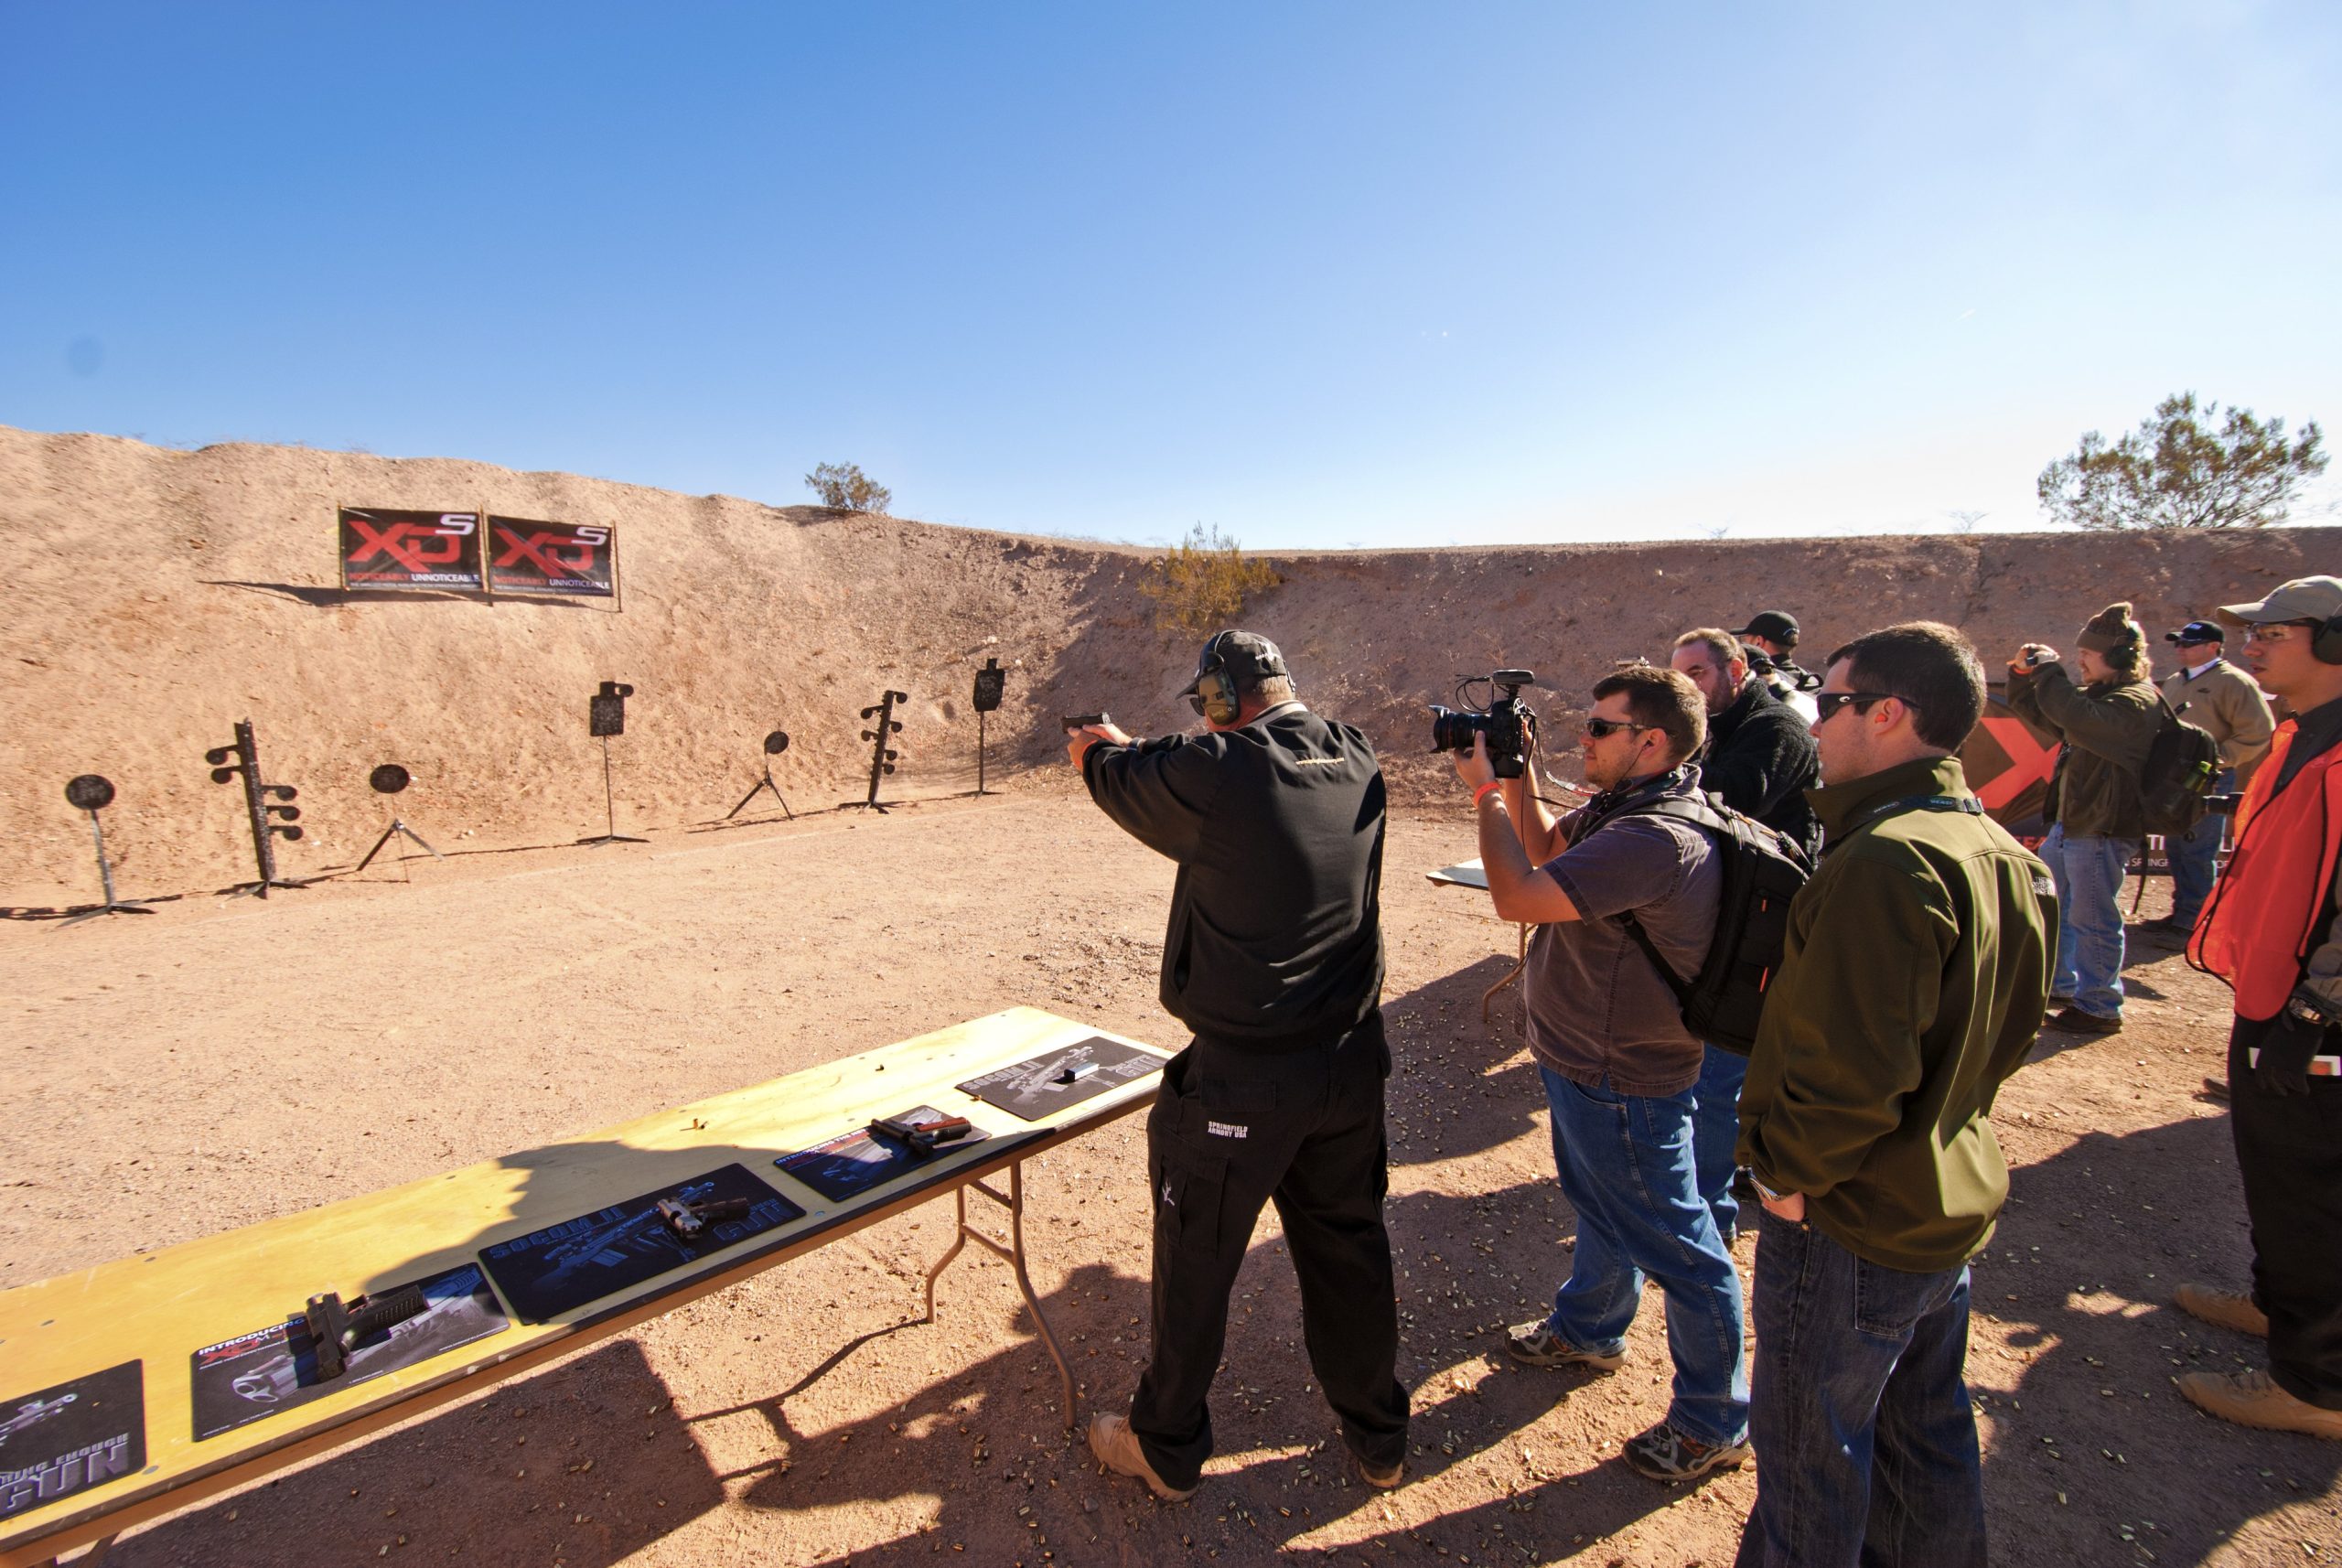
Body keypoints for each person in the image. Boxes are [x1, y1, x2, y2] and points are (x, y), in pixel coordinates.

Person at [1734, 621, 2056, 1567]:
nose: (1815, 725)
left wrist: (1785, 1177)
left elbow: (1849, 1074)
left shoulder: (1885, 859)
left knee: (1807, 1475)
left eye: (1827, 703)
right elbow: (2003, 1038)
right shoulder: (1996, 849)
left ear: (1886, 713)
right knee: (1925, 1451)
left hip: (1849, 1221)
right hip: (1936, 1206)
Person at [1067, 629, 1411, 1499]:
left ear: (1221, 695)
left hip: (1246, 1078)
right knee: (1349, 1252)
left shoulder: (1215, 769)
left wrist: (1098, 750)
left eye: (1205, 700)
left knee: (1195, 1263)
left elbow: (1118, 777)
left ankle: (1167, 1445)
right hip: (1349, 1062)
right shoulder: (1356, 752)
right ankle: (1379, 1437)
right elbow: (1194, 765)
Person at [1451, 663, 1749, 1482]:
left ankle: (1713, 1420)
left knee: (1683, 1247)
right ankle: (1589, 1327)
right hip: (1585, 1058)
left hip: (1624, 1072)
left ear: (1651, 741)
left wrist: (1482, 793)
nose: (1583, 738)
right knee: (1603, 1205)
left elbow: (1519, 894)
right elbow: (1546, 844)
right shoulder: (1628, 808)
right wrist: (1512, 777)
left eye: (1599, 728)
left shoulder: (1657, 836)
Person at [2175, 575, 2342, 1442]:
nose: (2254, 647)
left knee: (2315, 1180)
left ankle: (2317, 1385)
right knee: (2278, 1164)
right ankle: (2280, 1307)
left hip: (2318, 1017)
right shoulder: (2301, 736)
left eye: (2274, 632)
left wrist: (2317, 1013)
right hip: (2278, 995)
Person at [1668, 628, 1822, 1245]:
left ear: (1736, 669)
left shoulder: (1775, 728)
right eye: (1682, 678)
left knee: (1716, 1078)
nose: (1691, 689)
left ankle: (1707, 1220)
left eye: (1699, 675)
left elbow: (1731, 801)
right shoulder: (1725, 724)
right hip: (1730, 914)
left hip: (1762, 922)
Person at [2006, 602, 2162, 1036]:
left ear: (2116, 657)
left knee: (2093, 919)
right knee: (2058, 911)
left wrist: (2049, 672)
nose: (2081, 664)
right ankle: (2062, 986)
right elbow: (2050, 715)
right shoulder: (2105, 701)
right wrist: (2024, 677)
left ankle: (2100, 1006)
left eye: (2088, 657)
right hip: (2074, 824)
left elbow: (2072, 714)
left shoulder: (2135, 701)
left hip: (2102, 827)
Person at [2148, 620, 2274, 937]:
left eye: (2189, 643)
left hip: (2208, 777)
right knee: (2176, 844)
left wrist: (2217, 759)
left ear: (2213, 647)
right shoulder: (2177, 680)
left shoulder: (2234, 682)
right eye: (2179, 643)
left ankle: (2196, 920)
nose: (2181, 648)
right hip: (2174, 777)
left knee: (2198, 846)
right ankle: (2183, 912)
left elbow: (2259, 730)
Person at [1733, 609, 1822, 725]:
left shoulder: (1756, 680)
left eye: (1746, 640)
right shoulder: (1812, 681)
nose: (1743, 644)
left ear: (1759, 642)